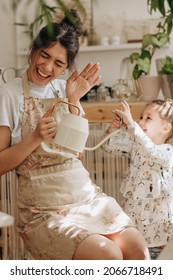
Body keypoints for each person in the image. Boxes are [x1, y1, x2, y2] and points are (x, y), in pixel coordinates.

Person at [0, 9, 149, 260]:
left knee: (138, 251)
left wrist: (73, 100)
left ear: (67, 67)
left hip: (85, 198)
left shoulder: (65, 89)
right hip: (43, 210)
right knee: (109, 256)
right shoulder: (9, 94)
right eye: (44, 55)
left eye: (59, 63)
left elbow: (76, 152)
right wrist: (35, 138)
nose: (47, 67)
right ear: (33, 50)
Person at [102, 99, 173, 259]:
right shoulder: (136, 145)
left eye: (148, 118)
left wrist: (133, 126)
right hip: (135, 219)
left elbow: (152, 151)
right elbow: (107, 146)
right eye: (141, 117)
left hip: (158, 228)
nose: (141, 121)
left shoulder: (168, 151)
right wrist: (113, 128)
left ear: (166, 128)